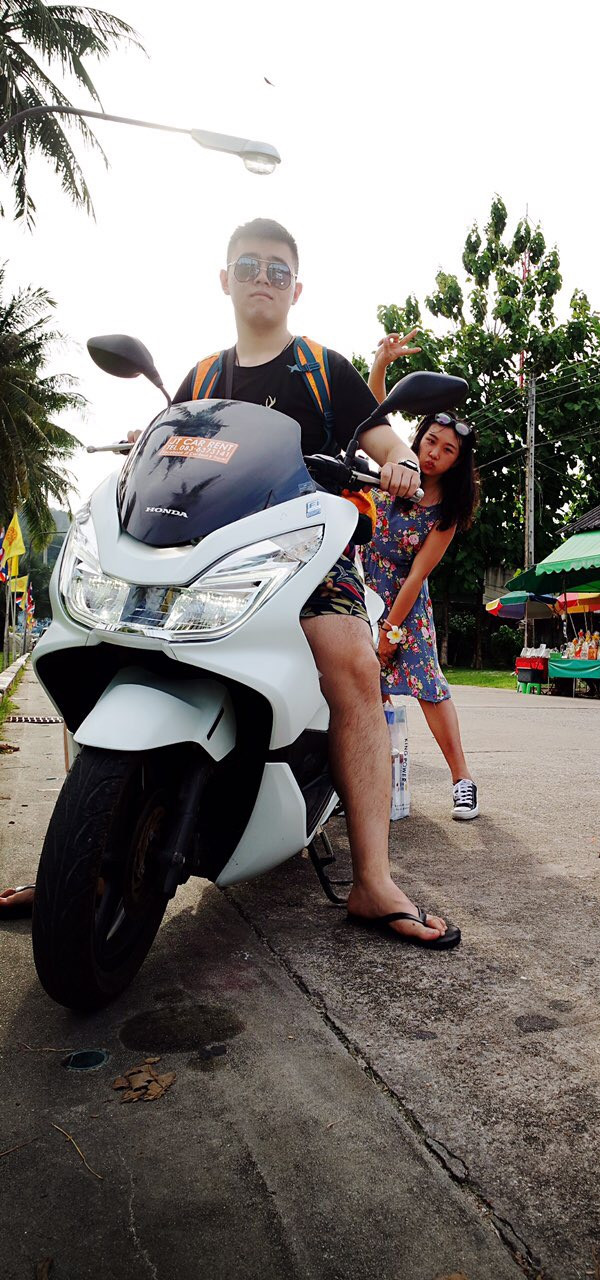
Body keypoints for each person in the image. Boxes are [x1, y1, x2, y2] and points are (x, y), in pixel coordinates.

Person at [3, 220, 460, 950]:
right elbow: (167, 448)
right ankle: (68, 861)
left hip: (304, 553)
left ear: (296, 288)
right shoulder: (202, 378)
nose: (263, 278)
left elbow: (383, 440)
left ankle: (372, 880)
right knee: (99, 638)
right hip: (196, 556)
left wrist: (403, 462)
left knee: (354, 666)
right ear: (225, 278)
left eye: (278, 270)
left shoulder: (322, 368)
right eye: (249, 264)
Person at [363, 330, 480, 819]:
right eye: (431, 440)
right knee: (361, 687)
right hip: (360, 584)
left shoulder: (447, 510)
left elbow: (417, 576)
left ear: (457, 462)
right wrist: (381, 365)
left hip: (405, 602)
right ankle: (364, 784)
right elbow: (370, 421)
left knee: (428, 685)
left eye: (447, 450)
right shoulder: (396, 467)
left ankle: (463, 780)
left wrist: (391, 628)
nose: (434, 453)